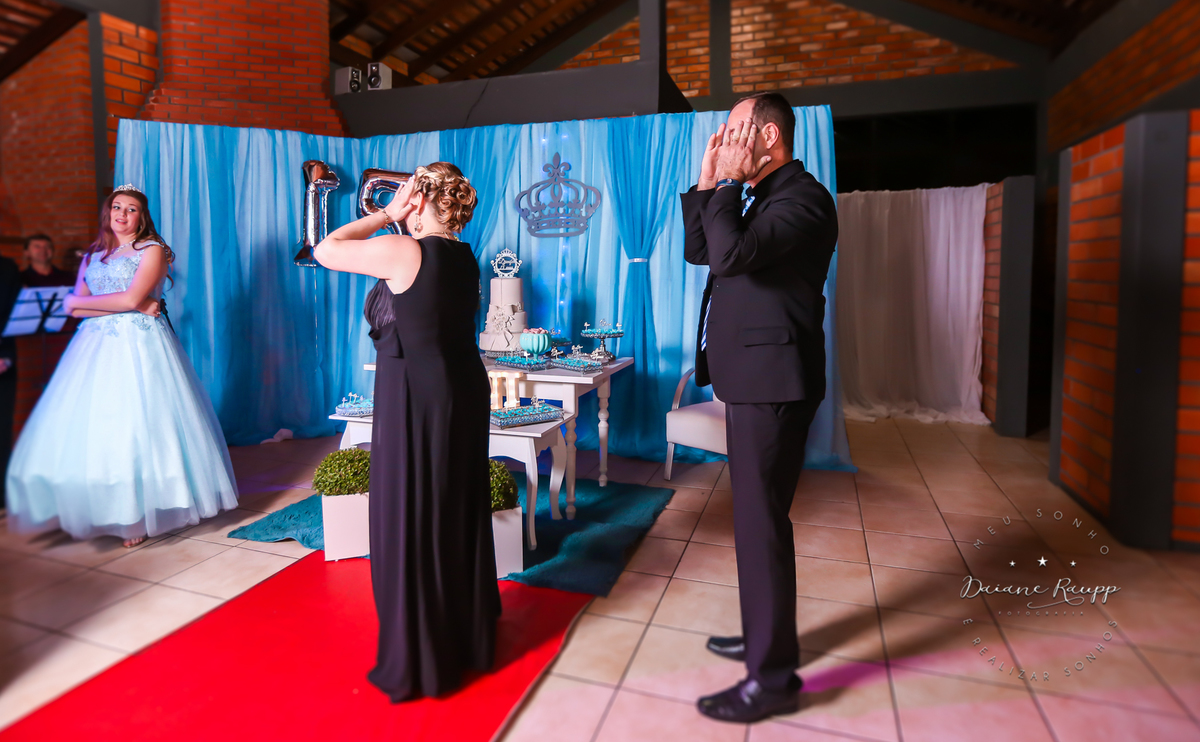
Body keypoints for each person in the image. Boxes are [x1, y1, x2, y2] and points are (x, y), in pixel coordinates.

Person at [314, 162, 499, 702]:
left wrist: (386, 215)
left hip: (416, 396)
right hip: (462, 391)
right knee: (453, 509)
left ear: (417, 200)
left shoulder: (403, 250)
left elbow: (325, 249)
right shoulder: (465, 256)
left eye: (404, 197)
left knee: (412, 513)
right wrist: (400, 214)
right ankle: (462, 638)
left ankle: (423, 653)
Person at [681, 92, 839, 723]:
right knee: (756, 522)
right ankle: (765, 639)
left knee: (761, 525)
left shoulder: (804, 198)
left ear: (769, 135)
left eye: (736, 129)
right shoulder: (756, 196)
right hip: (754, 380)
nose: (726, 138)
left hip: (774, 383)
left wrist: (726, 185)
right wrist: (708, 182)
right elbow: (701, 250)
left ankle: (771, 681)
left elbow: (729, 255)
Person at [5, 185, 239, 548]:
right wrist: (126, 304)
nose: (122, 214)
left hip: (139, 344)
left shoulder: (152, 250)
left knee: (138, 424)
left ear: (141, 217)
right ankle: (97, 507)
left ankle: (139, 512)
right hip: (93, 346)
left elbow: (118, 299)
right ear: (108, 212)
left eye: (131, 209)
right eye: (117, 207)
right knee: (96, 427)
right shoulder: (93, 254)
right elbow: (75, 308)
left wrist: (118, 303)